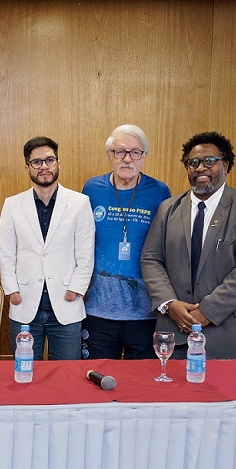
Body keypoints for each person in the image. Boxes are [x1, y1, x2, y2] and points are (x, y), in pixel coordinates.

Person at [141, 131, 236, 359]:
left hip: (233, 339)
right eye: (193, 162)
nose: (200, 167)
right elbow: (151, 259)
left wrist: (208, 311)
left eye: (209, 161)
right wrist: (170, 304)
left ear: (226, 165)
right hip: (176, 333)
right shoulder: (167, 209)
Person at [0, 136, 95, 360]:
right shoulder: (12, 205)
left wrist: (76, 290)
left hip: (66, 304)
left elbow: (86, 254)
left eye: (49, 160)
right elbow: (6, 254)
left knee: (67, 376)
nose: (44, 166)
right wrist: (12, 291)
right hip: (24, 304)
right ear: (27, 167)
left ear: (59, 163)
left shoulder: (79, 203)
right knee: (25, 373)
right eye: (37, 162)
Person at [82, 124, 171, 359]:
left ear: (144, 156)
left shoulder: (160, 191)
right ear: (110, 156)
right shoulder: (92, 189)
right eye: (120, 152)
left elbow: (166, 246)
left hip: (145, 312)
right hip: (97, 310)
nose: (127, 159)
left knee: (142, 383)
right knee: (98, 378)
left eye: (135, 152)